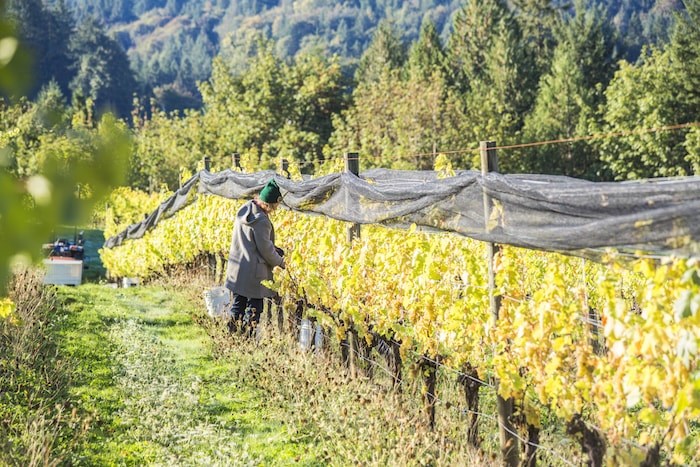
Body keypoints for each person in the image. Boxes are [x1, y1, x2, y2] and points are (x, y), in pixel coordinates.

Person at [225, 178, 285, 335]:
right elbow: (265, 249)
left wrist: (274, 248)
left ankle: (231, 337)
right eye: (275, 207)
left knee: (238, 304)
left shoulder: (246, 209)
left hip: (238, 268)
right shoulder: (262, 221)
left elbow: (252, 241)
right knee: (254, 308)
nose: (275, 210)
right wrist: (281, 262)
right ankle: (247, 339)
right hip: (254, 272)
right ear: (268, 204)